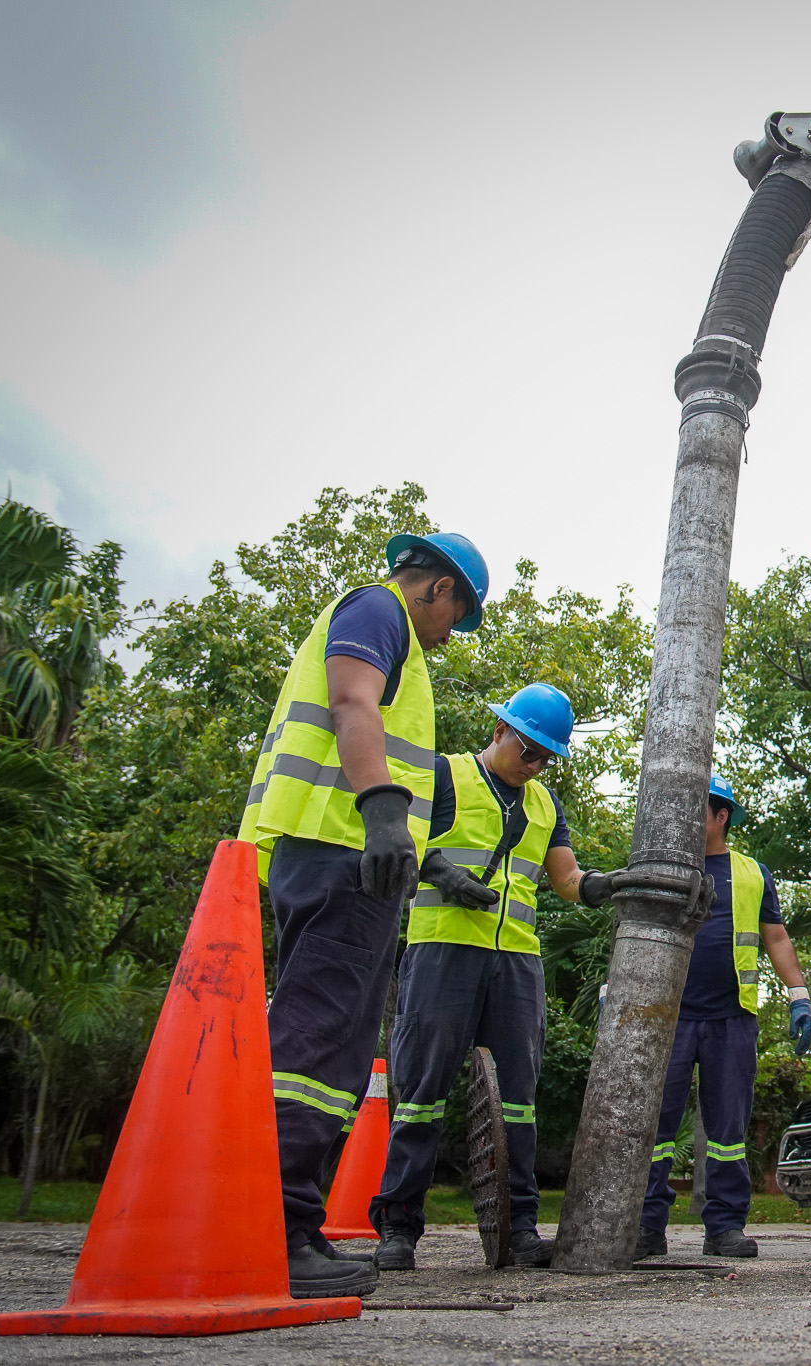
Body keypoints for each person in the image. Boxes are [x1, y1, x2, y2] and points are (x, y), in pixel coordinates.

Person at [238, 531, 490, 1299]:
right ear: (437, 588)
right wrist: (382, 815)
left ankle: (288, 1225)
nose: (450, 635)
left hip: (350, 858)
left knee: (331, 1038)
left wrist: (426, 857)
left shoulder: (383, 623)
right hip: (341, 851)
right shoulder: (379, 611)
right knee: (318, 1041)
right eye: (458, 617)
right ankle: (276, 1230)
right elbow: (353, 702)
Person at [369, 683, 615, 1271]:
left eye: (544, 758)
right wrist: (446, 876)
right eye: (527, 750)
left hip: (516, 962)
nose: (533, 765)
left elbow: (567, 879)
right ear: (500, 729)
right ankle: (398, 1229)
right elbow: (406, 842)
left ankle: (521, 1228)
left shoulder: (544, 806)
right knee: (421, 1092)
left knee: (518, 1100)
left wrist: (608, 885)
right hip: (442, 951)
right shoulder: (443, 775)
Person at [636, 777, 811, 1259]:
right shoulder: (663, 866)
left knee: (728, 1133)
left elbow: (775, 937)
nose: (687, 821)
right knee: (656, 1129)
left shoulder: (752, 873)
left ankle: (725, 1227)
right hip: (665, 1017)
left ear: (722, 817)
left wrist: (799, 995)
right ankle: (647, 1227)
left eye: (699, 811)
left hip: (731, 1020)